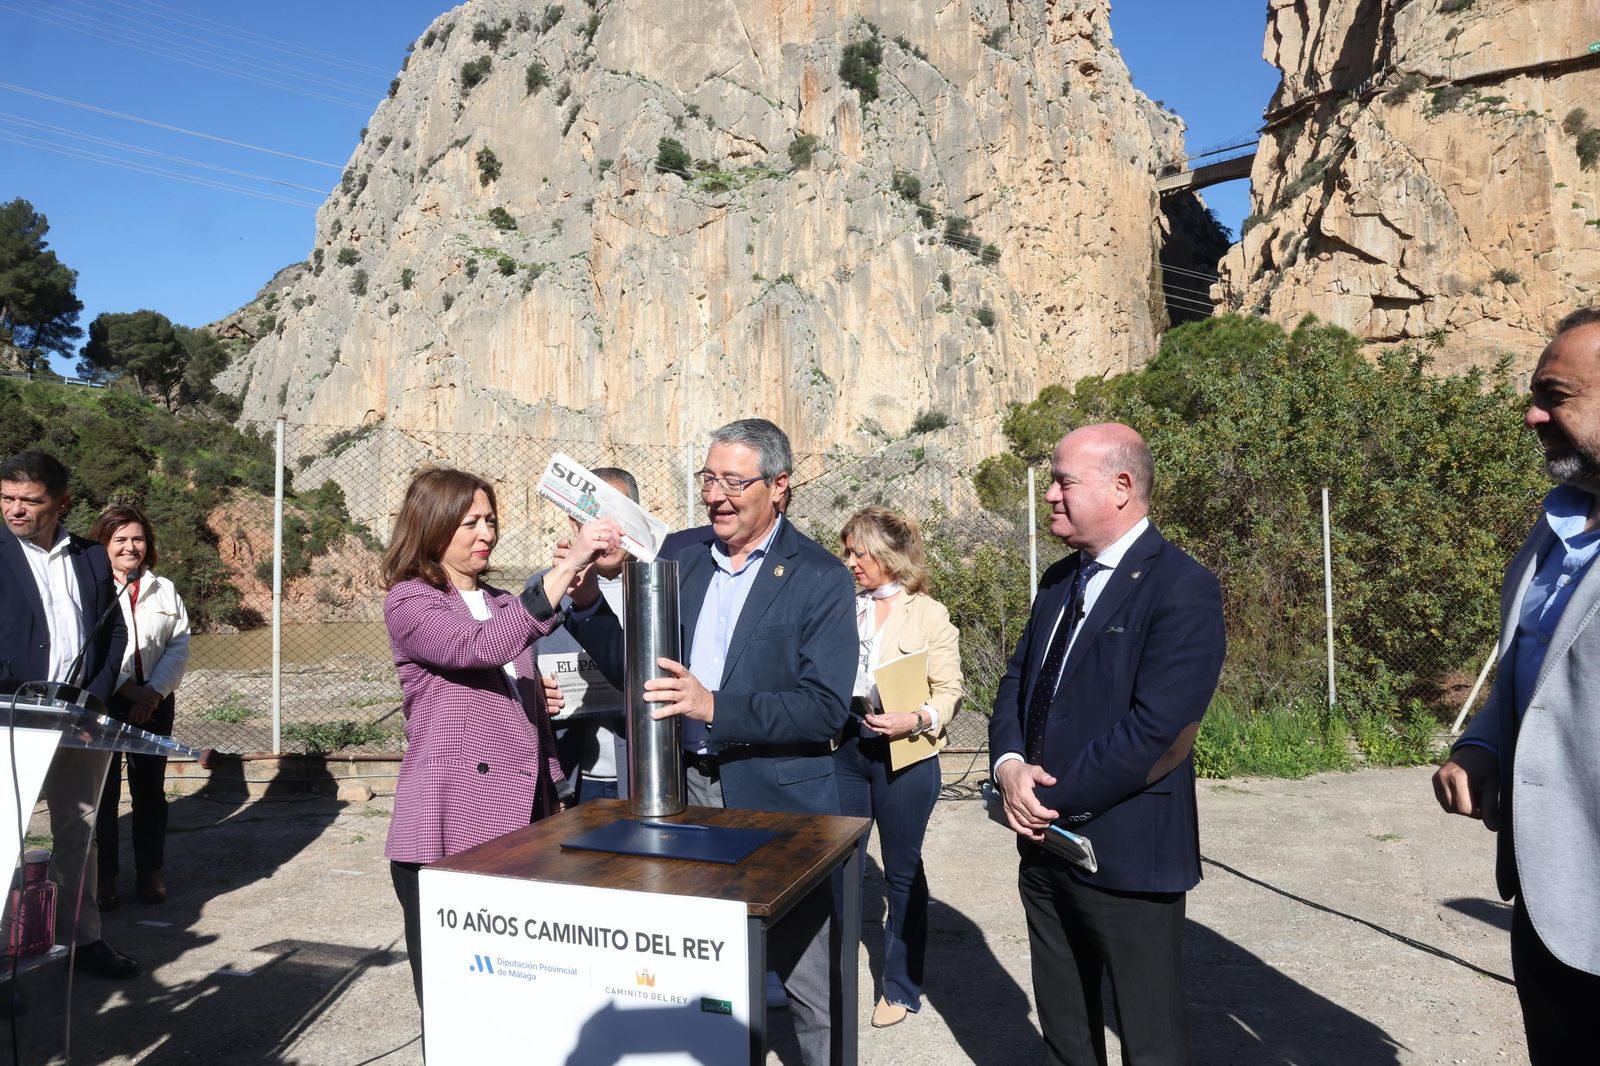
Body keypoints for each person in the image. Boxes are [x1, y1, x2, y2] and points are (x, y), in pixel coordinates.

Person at [541, 417, 857, 1066]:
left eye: (733, 481)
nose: (715, 494)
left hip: (779, 805)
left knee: (809, 985)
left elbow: (825, 709)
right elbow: (638, 670)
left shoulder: (821, 577)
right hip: (684, 793)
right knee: (699, 977)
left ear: (780, 487)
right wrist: (591, 601)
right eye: (708, 478)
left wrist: (716, 707)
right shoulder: (677, 555)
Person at [989, 423, 1225, 1066]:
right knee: (1064, 1023)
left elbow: (1158, 729)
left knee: (1150, 1039)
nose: (1051, 497)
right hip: (1042, 842)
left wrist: (1050, 798)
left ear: (1122, 487)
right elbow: (1017, 681)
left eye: (1064, 481)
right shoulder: (1059, 580)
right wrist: (1010, 767)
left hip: (1124, 853)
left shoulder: (1181, 587)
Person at [381, 466, 620, 1009]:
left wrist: (536, 702)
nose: (485, 533)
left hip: (525, 815)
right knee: (458, 1003)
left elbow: (503, 671)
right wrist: (569, 566)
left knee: (520, 991)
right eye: (470, 522)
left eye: (490, 520)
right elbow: (478, 648)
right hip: (451, 824)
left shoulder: (500, 599)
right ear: (433, 526)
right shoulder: (410, 601)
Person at [1432, 307, 1600, 1063]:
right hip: (1547, 896)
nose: (1531, 414)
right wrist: (1482, 742)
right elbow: (1529, 672)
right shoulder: (1555, 527)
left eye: (1554, 395)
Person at [0, 451, 140, 979]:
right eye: (7, 498)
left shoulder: (90, 557)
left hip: (77, 721)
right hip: (8, 722)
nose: (15, 510)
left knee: (79, 834)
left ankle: (82, 940)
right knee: (3, 837)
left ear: (62, 502)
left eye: (30, 502)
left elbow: (113, 633)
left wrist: (94, 699)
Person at [833, 506, 962, 1029]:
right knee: (839, 869)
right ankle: (829, 978)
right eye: (847, 552)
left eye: (858, 553)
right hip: (845, 750)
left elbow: (949, 691)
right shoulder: (841, 607)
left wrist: (915, 718)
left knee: (903, 873)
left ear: (885, 555)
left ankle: (900, 985)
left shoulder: (928, 614)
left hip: (906, 757)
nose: (850, 563)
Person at [89, 504, 191, 909]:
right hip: (106, 700)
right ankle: (105, 877)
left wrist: (153, 693)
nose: (130, 547)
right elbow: (91, 648)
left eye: (137, 539)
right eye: (120, 540)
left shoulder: (164, 589)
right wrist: (127, 690)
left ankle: (151, 873)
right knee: (105, 792)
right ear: (103, 545)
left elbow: (179, 645)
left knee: (150, 790)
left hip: (155, 701)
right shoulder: (92, 588)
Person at [528, 466, 638, 804]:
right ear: (575, 526)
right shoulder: (544, 587)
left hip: (642, 774)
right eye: (594, 521)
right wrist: (535, 694)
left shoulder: (664, 585)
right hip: (573, 776)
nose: (606, 533)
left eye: (616, 518)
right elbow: (520, 666)